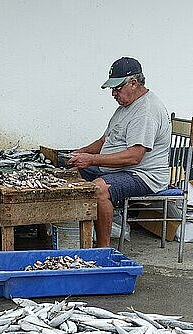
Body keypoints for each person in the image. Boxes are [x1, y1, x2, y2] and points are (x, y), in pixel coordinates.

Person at [68, 57, 171, 248]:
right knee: (71, 174)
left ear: (133, 83)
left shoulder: (146, 111)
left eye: (117, 88)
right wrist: (78, 154)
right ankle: (78, 235)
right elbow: (103, 141)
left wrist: (91, 160)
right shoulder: (124, 107)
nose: (113, 93)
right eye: (112, 89)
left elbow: (134, 156)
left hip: (143, 175)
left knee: (99, 190)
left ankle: (103, 248)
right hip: (117, 169)